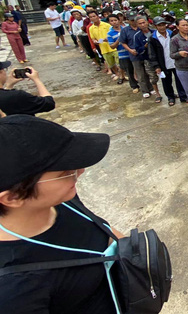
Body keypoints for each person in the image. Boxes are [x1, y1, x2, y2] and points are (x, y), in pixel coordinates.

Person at [0, 114, 123, 313]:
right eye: (64, 173)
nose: (80, 171)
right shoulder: (13, 291)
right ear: (13, 197)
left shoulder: (60, 200)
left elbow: (98, 229)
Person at [149, 16, 187, 106]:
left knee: (179, 80)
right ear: (155, 26)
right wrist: (156, 66)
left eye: (163, 25)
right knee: (166, 81)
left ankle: (183, 96)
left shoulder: (171, 34)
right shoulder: (153, 38)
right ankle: (170, 97)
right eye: (159, 25)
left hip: (175, 61)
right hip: (163, 63)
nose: (162, 27)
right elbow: (152, 54)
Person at [120, 15, 158, 100]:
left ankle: (151, 88)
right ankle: (145, 90)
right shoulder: (131, 33)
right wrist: (132, 50)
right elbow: (124, 42)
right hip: (136, 55)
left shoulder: (153, 32)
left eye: (144, 22)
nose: (142, 25)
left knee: (149, 73)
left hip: (148, 56)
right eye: (140, 23)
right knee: (140, 74)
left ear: (147, 22)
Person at [87, 10, 121, 81]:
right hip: (103, 48)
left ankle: (121, 75)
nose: (93, 18)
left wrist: (107, 39)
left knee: (119, 63)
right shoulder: (91, 28)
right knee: (111, 64)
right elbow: (93, 38)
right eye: (91, 17)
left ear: (97, 16)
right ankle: (117, 74)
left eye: (94, 16)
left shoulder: (107, 25)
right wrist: (95, 41)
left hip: (113, 47)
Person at [107, 13, 137, 88]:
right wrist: (119, 40)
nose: (114, 22)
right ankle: (134, 86)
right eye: (111, 21)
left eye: (115, 20)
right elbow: (112, 46)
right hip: (123, 55)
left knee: (138, 69)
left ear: (119, 20)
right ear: (109, 23)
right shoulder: (110, 33)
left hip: (133, 52)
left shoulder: (126, 29)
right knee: (129, 71)